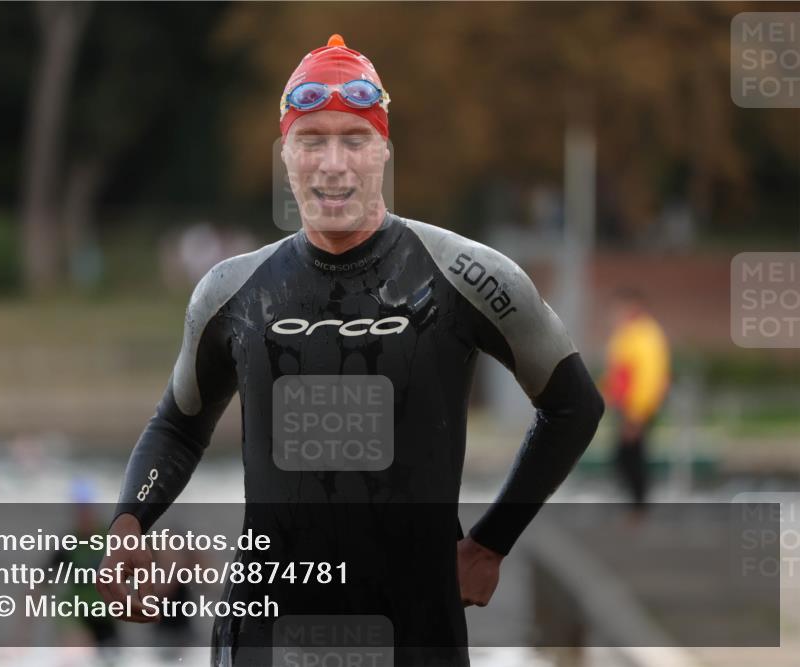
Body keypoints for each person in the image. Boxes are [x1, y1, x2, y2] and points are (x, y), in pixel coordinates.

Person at [98, 34, 604, 666]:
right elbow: (177, 425)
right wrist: (128, 525)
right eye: (312, 140)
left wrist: (491, 543)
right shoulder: (232, 293)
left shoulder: (465, 277)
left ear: (384, 152)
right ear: (286, 155)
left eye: (354, 139)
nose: (333, 163)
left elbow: (573, 407)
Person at [601, 288, 670, 512]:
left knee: (631, 456)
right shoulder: (628, 334)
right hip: (626, 407)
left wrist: (636, 415)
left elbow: (649, 378)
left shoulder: (646, 335)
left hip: (635, 409)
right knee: (625, 456)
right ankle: (634, 506)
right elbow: (618, 371)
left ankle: (639, 509)